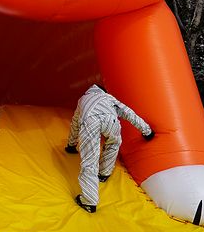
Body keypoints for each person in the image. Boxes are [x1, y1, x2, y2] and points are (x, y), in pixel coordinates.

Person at [66, 84, 154, 212]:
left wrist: (71, 144)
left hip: (91, 119)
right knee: (114, 143)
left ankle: (89, 201)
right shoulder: (108, 97)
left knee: (90, 159)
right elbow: (128, 112)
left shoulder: (83, 99)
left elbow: (75, 123)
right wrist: (147, 131)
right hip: (111, 120)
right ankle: (104, 173)